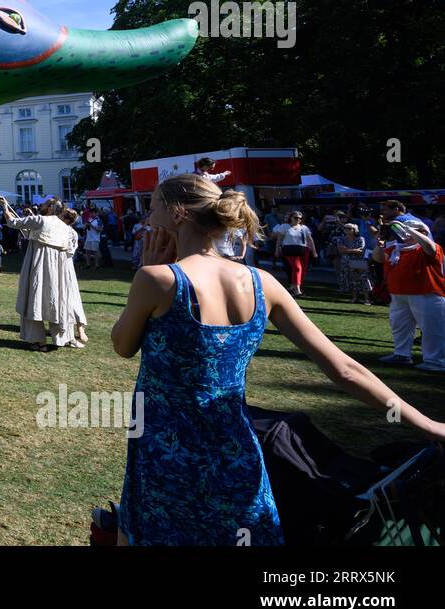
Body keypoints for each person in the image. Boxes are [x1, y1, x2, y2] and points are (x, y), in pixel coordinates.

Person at [111, 175, 445, 545]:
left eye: (155, 205)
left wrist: (148, 269)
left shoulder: (156, 278)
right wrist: (428, 425)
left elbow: (123, 346)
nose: (149, 216)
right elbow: (344, 368)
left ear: (177, 214)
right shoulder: (261, 282)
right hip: (236, 447)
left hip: (165, 446)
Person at [1, 198, 84, 351]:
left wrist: (5, 208)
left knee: (35, 298)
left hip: (39, 264)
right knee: (57, 300)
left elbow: (13, 223)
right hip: (58, 269)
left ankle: (38, 340)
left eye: (46, 204)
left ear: (51, 208)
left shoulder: (40, 220)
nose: (42, 206)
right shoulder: (66, 229)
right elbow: (28, 232)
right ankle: (62, 336)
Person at [375, 217, 445, 371]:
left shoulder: (429, 248)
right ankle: (401, 355)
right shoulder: (395, 249)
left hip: (427, 294)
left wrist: (409, 230)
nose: (402, 234)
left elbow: (429, 246)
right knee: (399, 326)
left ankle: (435, 361)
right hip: (399, 295)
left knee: (432, 329)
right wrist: (379, 244)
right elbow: (378, 258)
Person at [57, 208, 89, 344]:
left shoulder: (71, 233)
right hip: (56, 267)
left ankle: (80, 328)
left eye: (61, 215)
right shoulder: (57, 229)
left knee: (73, 297)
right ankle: (61, 326)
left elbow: (70, 251)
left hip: (66, 267)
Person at [274, 211, 317, 296]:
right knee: (297, 268)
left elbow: (310, 240)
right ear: (291, 218)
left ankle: (294, 286)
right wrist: (277, 250)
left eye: (300, 218)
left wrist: (314, 251)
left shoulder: (304, 227)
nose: (298, 219)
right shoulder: (285, 226)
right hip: (289, 249)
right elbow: (279, 240)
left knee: (303, 270)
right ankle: (297, 289)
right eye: (296, 217)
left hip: (303, 250)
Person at [335, 223, 372, 305]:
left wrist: (347, 250)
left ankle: (367, 299)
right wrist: (354, 250)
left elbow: (361, 250)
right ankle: (354, 298)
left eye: (349, 228)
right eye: (345, 228)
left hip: (359, 261)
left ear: (354, 230)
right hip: (346, 262)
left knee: (364, 279)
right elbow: (341, 251)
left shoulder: (360, 239)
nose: (346, 230)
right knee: (353, 280)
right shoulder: (341, 239)